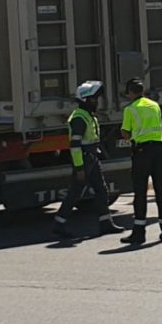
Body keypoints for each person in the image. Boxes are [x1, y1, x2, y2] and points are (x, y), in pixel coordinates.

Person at [52, 80, 126, 239]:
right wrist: (79, 168)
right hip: (84, 160)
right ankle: (59, 223)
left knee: (101, 190)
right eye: (93, 99)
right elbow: (75, 146)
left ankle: (105, 223)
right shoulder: (79, 118)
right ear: (85, 100)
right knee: (75, 193)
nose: (96, 102)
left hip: (91, 158)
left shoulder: (88, 115)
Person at [120, 77, 162, 244]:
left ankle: (139, 233)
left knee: (140, 193)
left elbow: (126, 133)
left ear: (130, 93)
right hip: (159, 151)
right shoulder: (155, 105)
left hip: (142, 153)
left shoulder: (130, 109)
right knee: (161, 193)